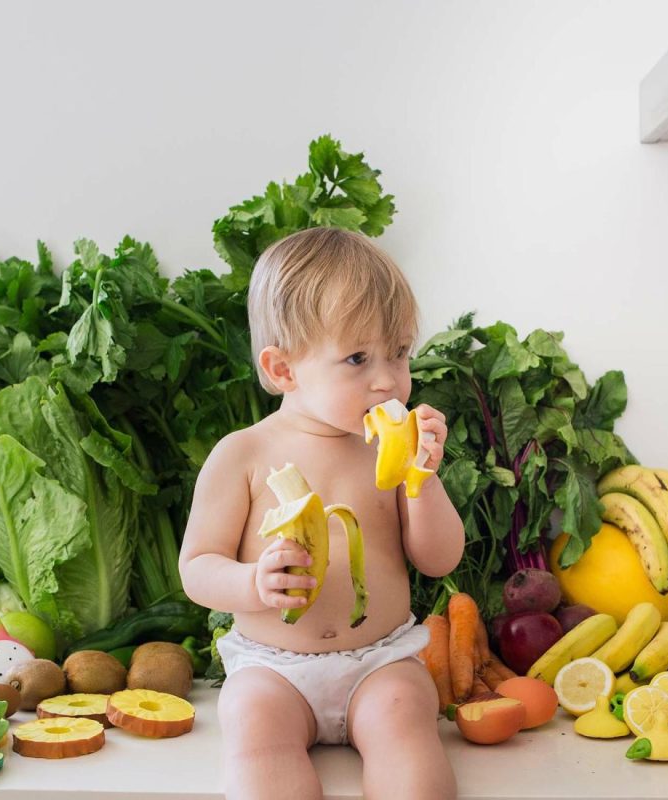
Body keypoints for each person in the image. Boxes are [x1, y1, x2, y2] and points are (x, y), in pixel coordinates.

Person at [179, 227, 465, 800]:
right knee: (252, 725)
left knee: (408, 718)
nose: (387, 379)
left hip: (379, 660)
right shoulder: (244, 454)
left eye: (400, 352)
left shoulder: (390, 449)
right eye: (357, 358)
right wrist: (253, 582)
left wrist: (422, 479)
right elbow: (197, 568)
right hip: (274, 667)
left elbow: (438, 560)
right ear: (284, 370)